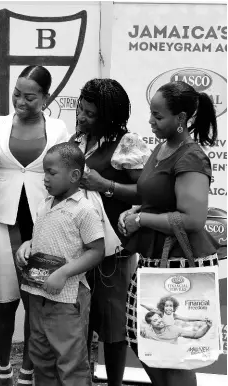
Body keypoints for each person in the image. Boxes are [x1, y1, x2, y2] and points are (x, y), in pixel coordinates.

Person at [119, 80, 219, 386]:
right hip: (154, 260)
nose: (150, 121)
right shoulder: (163, 148)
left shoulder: (191, 156)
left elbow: (193, 219)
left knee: (172, 350)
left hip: (179, 263)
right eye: (151, 113)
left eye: (158, 116)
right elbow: (155, 195)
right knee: (144, 339)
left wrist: (144, 219)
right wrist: (136, 211)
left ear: (181, 118)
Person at [0, 65, 68, 385]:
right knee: (6, 299)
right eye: (17, 94)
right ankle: (3, 368)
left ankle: (27, 371)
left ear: (46, 98)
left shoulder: (59, 129)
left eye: (30, 97)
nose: (21, 101)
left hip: (43, 223)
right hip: (0, 221)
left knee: (36, 301)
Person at [70, 78, 151, 386]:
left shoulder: (127, 143)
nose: (82, 117)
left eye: (90, 114)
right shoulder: (78, 140)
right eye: (82, 110)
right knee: (79, 320)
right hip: (76, 247)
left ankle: (113, 383)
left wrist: (106, 186)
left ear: (109, 116)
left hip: (113, 252)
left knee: (113, 324)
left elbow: (146, 195)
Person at [15, 142, 105, 385]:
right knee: (41, 357)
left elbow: (97, 251)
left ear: (74, 175)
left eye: (51, 173)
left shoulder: (84, 210)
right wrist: (27, 246)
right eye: (44, 172)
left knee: (70, 362)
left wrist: (64, 272)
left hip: (67, 300)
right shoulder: (45, 205)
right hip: (38, 294)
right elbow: (42, 239)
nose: (45, 179)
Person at [140, 311, 212, 344]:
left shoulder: (173, 329)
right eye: (155, 320)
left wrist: (208, 326)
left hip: (172, 361)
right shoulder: (147, 332)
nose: (159, 320)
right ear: (150, 324)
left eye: (159, 318)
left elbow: (196, 335)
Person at [140, 296, 207, 326]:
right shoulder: (161, 313)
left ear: (174, 307)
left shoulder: (174, 316)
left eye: (171, 306)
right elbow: (150, 309)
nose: (169, 308)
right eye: (166, 306)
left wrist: (201, 319)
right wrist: (141, 304)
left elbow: (187, 319)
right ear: (163, 307)